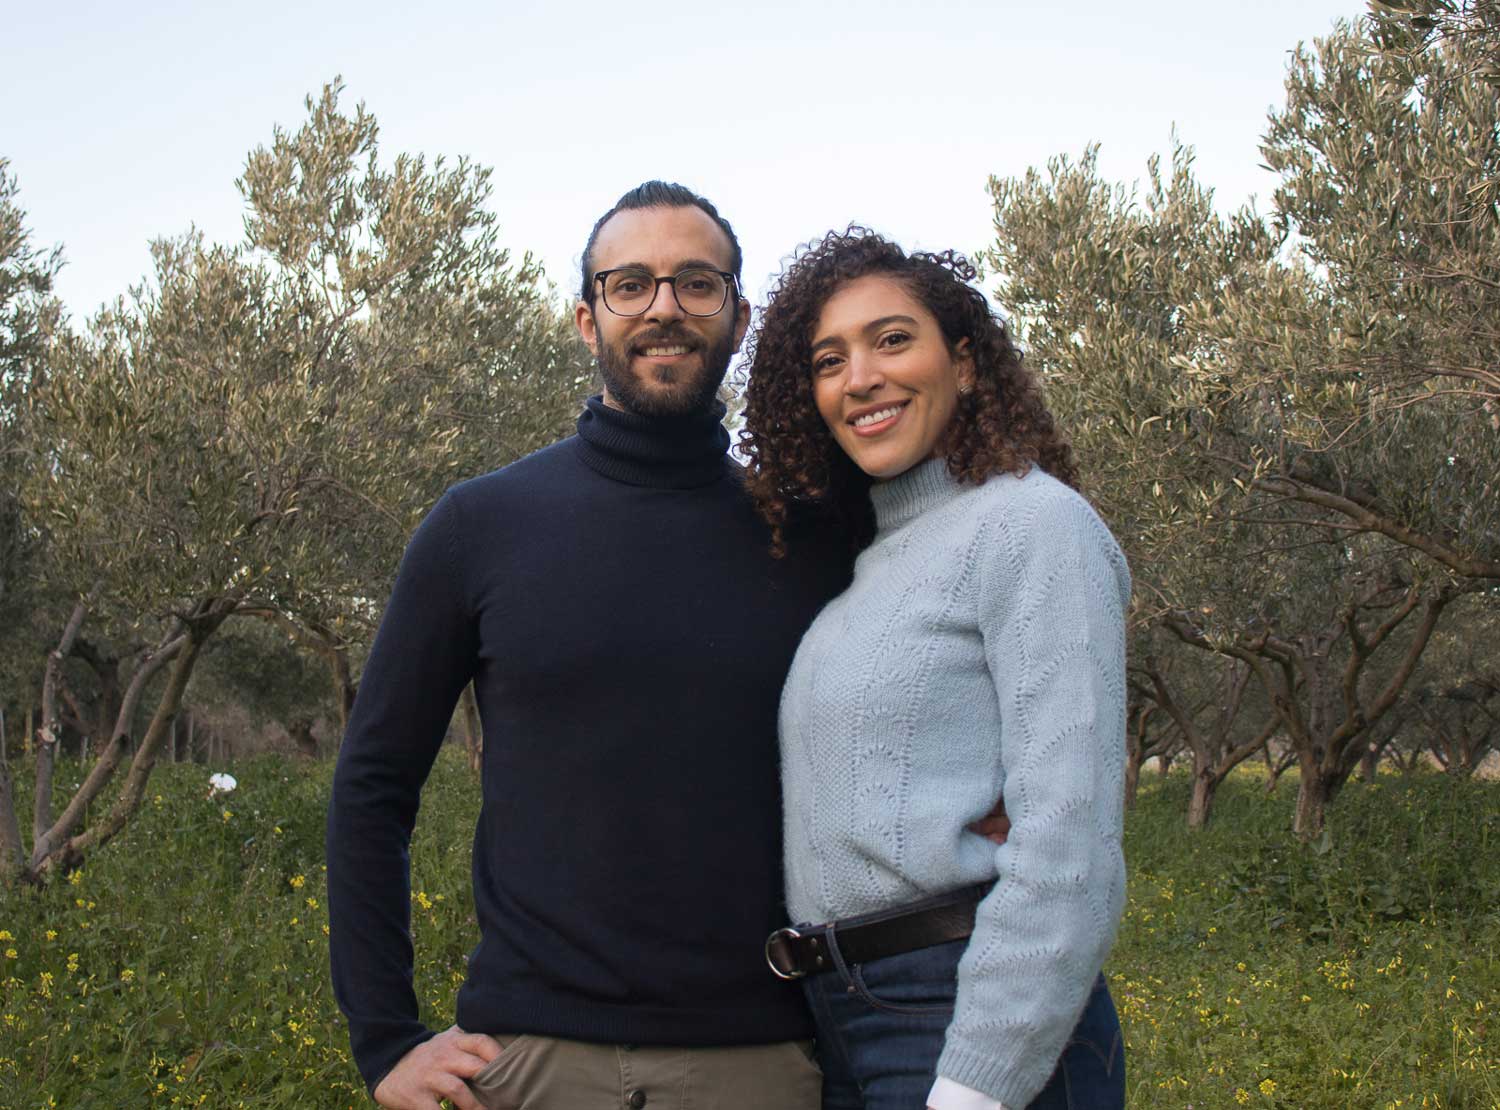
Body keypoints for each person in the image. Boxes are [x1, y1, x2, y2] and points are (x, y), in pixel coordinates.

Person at [326, 182, 853, 1110]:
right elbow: (373, 786)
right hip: (528, 1066)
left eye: (697, 282)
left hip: (760, 1063)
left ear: (737, 314)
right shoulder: (478, 525)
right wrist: (385, 1039)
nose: (664, 307)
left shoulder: (809, 535)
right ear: (586, 317)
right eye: (631, 283)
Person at [740, 228, 1131, 1110]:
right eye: (828, 359)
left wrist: (979, 1083)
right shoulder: (870, 565)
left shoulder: (1033, 525)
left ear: (966, 365)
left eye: (892, 339)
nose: (861, 378)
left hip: (965, 1016)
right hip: (843, 1012)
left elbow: (1069, 843)